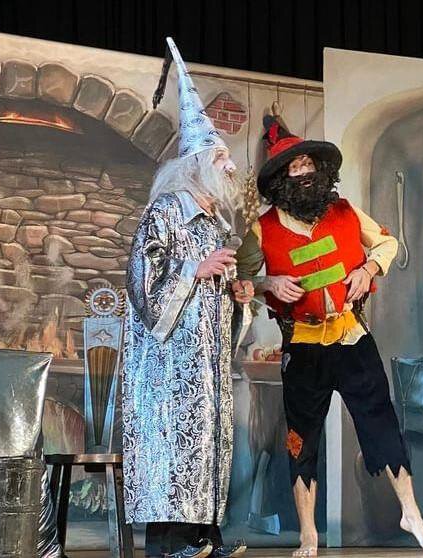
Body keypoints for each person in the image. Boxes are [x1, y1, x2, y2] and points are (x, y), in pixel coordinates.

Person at [234, 115, 423, 558]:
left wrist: (369, 269)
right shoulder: (262, 229)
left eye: (309, 165)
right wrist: (269, 283)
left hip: (350, 337)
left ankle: (411, 512)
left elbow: (387, 243)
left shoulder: (345, 211)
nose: (305, 173)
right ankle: (308, 533)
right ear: (282, 180)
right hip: (303, 345)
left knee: (380, 421)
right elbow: (241, 281)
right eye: (295, 168)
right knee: (301, 437)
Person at [122, 37, 252, 558]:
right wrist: (193, 270)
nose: (231, 169)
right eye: (221, 159)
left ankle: (205, 538)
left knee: (206, 444)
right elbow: (141, 284)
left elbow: (217, 296)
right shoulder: (166, 213)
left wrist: (237, 296)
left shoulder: (215, 224)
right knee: (175, 447)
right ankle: (172, 544)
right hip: (169, 367)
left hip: (206, 365)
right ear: (196, 164)